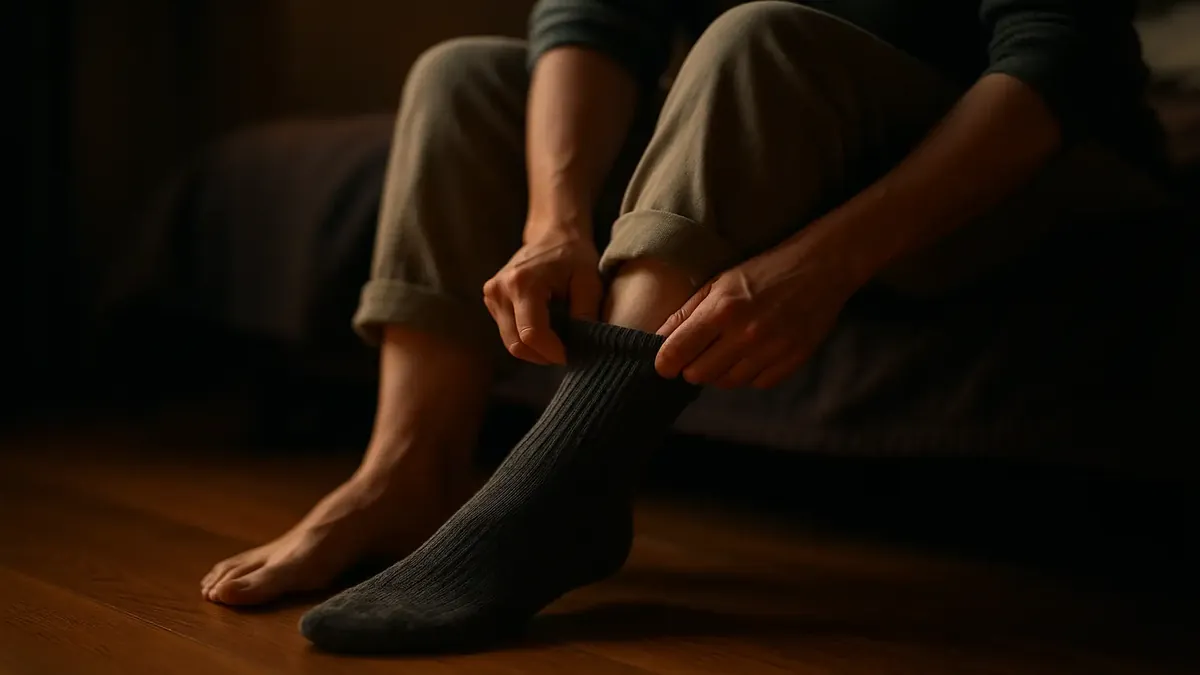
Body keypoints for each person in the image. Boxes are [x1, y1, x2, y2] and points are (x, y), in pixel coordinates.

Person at [201, 0, 1166, 652]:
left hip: (1035, 158)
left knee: (755, 37)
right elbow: (594, 16)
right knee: (465, 76)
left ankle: (560, 491)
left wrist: (826, 260)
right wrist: (556, 223)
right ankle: (403, 473)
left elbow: (1065, 62)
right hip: (798, 132)